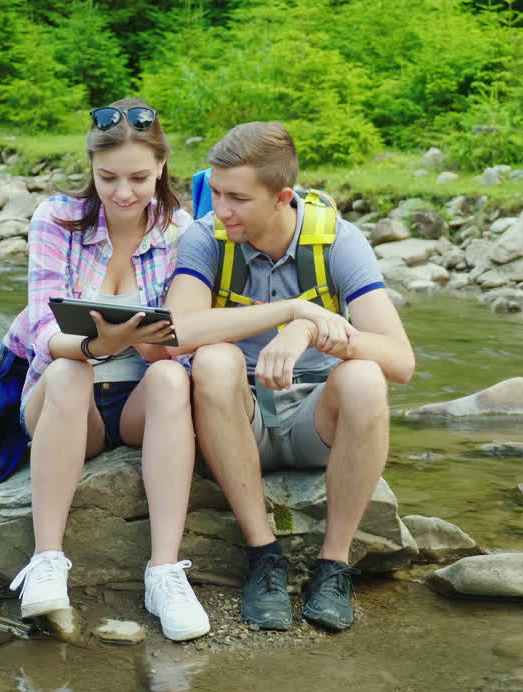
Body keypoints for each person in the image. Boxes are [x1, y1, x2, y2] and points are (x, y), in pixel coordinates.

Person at [166, 122, 415, 631]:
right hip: (241, 419)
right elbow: (175, 333)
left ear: (282, 198)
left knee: (366, 378)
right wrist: (292, 313)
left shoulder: (339, 241)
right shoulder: (206, 237)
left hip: (316, 422)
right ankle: (264, 555)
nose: (221, 209)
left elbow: (400, 361)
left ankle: (333, 565)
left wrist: (311, 333)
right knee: (213, 360)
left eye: (237, 197)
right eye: (215, 192)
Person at [3, 98, 209, 642]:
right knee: (70, 371)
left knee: (171, 378)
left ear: (162, 166)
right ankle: (48, 561)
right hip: (64, 398)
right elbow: (41, 330)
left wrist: (145, 347)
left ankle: (164, 572)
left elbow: (185, 345)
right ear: (90, 168)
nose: (123, 193)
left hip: (144, 395)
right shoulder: (56, 219)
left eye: (139, 177)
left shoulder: (183, 233)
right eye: (107, 177)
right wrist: (98, 346)